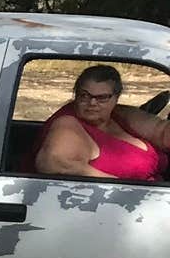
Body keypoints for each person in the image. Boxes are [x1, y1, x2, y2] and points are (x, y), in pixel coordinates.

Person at [34, 65, 170, 180]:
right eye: (84, 95)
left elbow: (162, 132)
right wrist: (126, 190)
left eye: (102, 97)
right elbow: (52, 163)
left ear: (116, 98)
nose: (92, 103)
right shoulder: (67, 126)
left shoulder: (119, 115)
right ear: (75, 95)